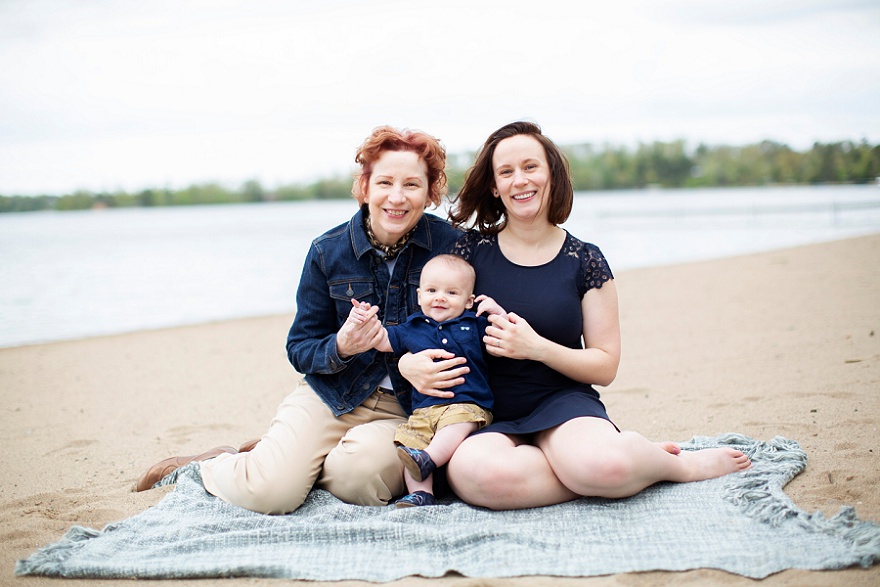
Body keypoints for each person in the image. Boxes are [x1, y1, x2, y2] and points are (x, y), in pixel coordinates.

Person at [398, 121, 751, 510]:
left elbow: (605, 366)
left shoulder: (585, 260)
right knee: (474, 476)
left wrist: (536, 347)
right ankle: (607, 466)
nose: (520, 180)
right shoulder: (467, 253)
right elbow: (424, 325)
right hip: (483, 412)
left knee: (603, 464)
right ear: (495, 187)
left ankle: (673, 466)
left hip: (562, 404)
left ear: (552, 173)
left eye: (530, 166)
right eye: (506, 172)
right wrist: (407, 364)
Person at [134, 125, 465, 514]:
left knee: (357, 480)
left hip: (409, 408)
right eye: (385, 182)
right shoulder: (328, 251)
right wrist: (341, 346)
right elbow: (300, 348)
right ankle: (220, 462)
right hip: (331, 394)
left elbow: (470, 326)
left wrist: (418, 361)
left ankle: (278, 456)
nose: (396, 196)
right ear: (365, 186)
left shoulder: (453, 246)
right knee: (270, 494)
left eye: (411, 184)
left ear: (430, 191)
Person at [347, 253, 505, 507]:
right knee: (410, 441)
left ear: (468, 301)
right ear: (419, 296)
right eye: (432, 290)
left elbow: (504, 336)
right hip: (424, 410)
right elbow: (382, 340)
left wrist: (498, 313)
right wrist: (365, 321)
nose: (440, 297)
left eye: (452, 293)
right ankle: (422, 493)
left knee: (456, 424)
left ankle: (428, 458)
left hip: (467, 404)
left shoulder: (473, 324)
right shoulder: (413, 327)